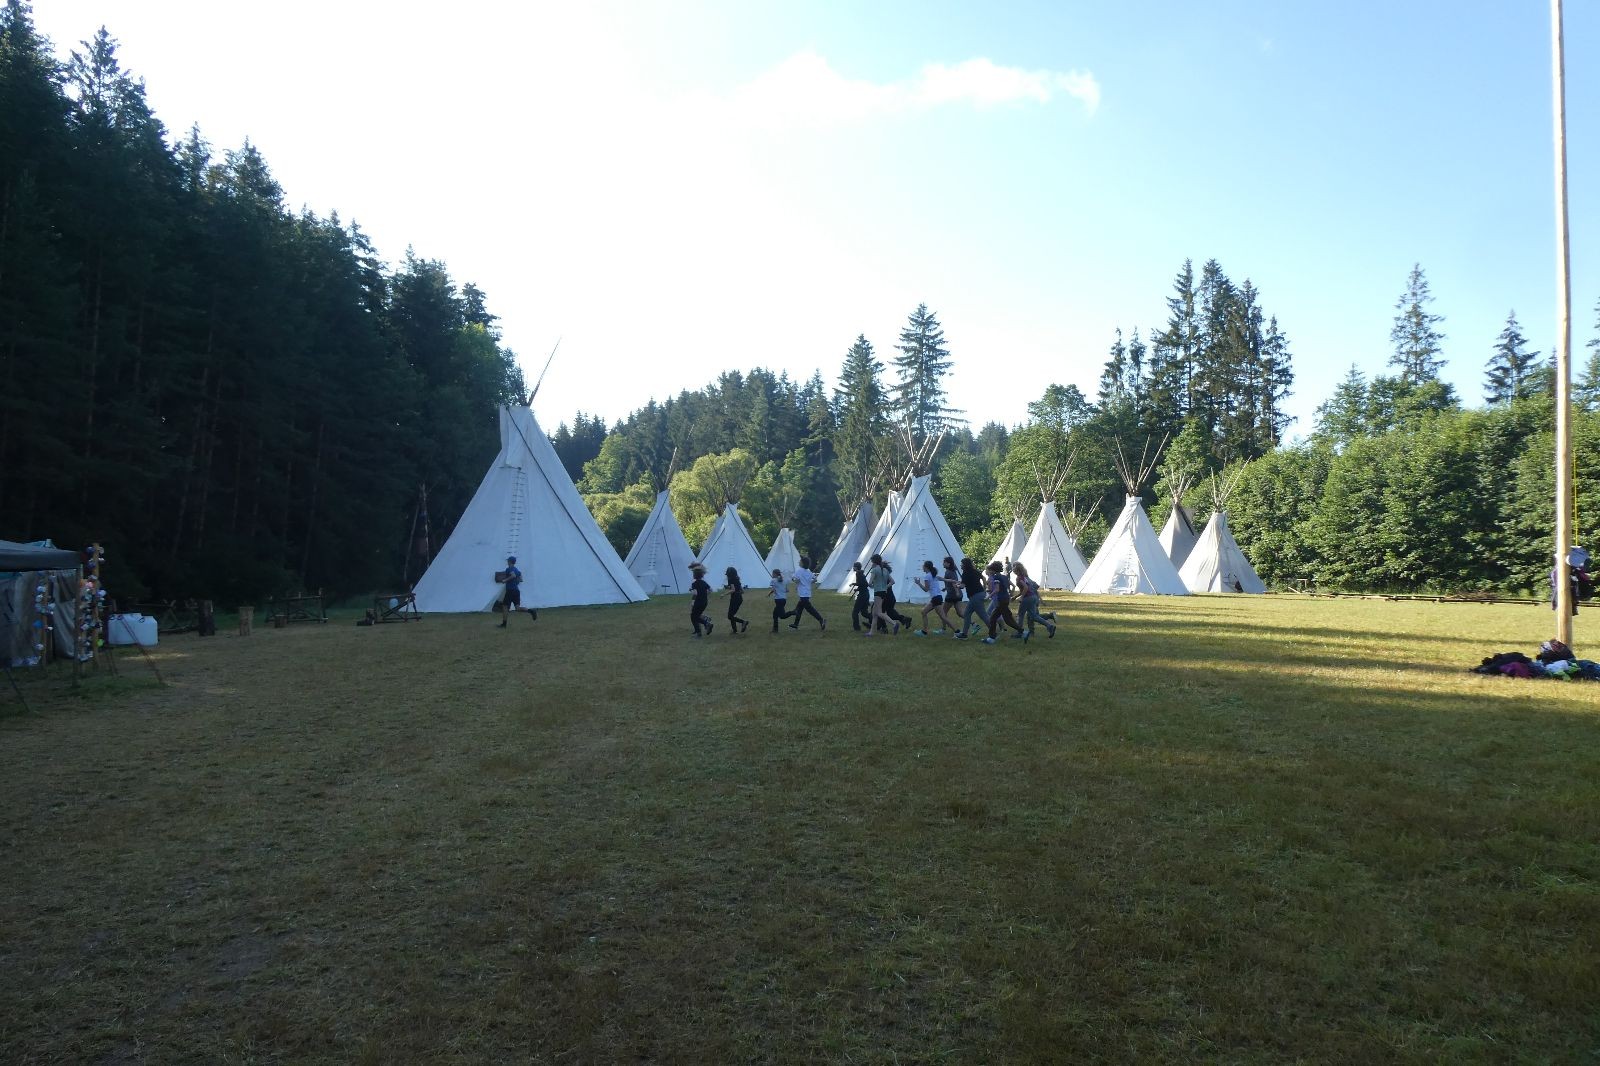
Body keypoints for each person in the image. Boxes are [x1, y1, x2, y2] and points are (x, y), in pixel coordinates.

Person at [983, 560, 1025, 644]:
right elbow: (1008, 587)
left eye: (991, 569)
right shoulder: (1004, 577)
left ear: (994, 570)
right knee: (998, 617)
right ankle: (992, 637)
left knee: (1004, 619)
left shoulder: (996, 577)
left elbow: (997, 589)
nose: (990, 571)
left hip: (1001, 600)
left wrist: (988, 596)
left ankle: (992, 638)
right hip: (1006, 598)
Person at [1012, 561, 1056, 638]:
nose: (1013, 570)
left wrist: (1021, 597)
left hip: (1027, 599)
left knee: (1020, 615)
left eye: (1013, 568)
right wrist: (1016, 596)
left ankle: (1019, 633)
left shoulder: (1019, 578)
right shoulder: (1025, 577)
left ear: (1016, 570)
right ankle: (1049, 626)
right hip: (1033, 597)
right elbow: (1025, 589)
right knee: (1034, 616)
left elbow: (1026, 588)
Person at [787, 555, 827, 631]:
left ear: (802, 563)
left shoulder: (799, 571)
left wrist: (793, 579)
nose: (798, 562)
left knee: (809, 609)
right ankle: (795, 625)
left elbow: (796, 580)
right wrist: (807, 582)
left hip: (803, 594)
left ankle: (821, 620)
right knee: (799, 609)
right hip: (807, 593)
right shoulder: (808, 571)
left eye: (800, 561)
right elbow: (815, 580)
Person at [496, 554, 535, 628]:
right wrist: (515, 581)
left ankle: (504, 624)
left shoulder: (509, 569)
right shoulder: (517, 570)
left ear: (509, 561)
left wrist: (505, 580)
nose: (507, 562)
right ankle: (531, 611)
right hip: (516, 591)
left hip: (510, 590)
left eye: (508, 561)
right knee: (517, 608)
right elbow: (521, 579)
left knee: (505, 606)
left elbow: (513, 576)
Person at [955, 557, 989, 639]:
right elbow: (984, 578)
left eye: (962, 564)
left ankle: (993, 632)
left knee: (983, 615)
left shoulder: (965, 573)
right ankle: (964, 634)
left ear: (965, 565)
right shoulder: (975, 571)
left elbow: (962, 586)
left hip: (975, 596)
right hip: (979, 594)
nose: (960, 565)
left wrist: (957, 586)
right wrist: (984, 589)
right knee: (967, 614)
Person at [914, 560, 949, 636]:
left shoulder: (927, 576)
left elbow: (926, 589)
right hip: (937, 597)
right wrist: (955, 581)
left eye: (923, 566)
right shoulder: (933, 575)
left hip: (935, 598)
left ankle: (956, 630)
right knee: (925, 612)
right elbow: (946, 580)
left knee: (942, 616)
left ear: (926, 567)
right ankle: (924, 631)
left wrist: (918, 583)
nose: (922, 567)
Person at [866, 554, 897, 636]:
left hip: (878, 593)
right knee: (874, 613)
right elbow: (892, 582)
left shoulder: (874, 570)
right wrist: (885, 587)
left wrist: (872, 586)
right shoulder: (885, 570)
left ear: (874, 561)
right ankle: (871, 632)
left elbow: (870, 583)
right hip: (884, 592)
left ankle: (894, 624)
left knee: (879, 612)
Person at [689, 564, 713, 637]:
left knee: (694, 617)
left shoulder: (694, 584)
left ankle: (705, 625)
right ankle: (704, 622)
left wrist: (692, 602)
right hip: (704, 602)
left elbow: (695, 593)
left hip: (698, 602)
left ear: (695, 575)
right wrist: (704, 595)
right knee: (696, 615)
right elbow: (710, 590)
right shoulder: (704, 582)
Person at [724, 566, 750, 634]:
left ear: (729, 574)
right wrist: (729, 588)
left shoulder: (730, 580)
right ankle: (734, 630)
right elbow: (742, 591)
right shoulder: (737, 579)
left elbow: (733, 590)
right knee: (731, 615)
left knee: (730, 616)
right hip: (739, 598)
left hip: (735, 599)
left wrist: (724, 594)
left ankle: (743, 622)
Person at [849, 562, 873, 630]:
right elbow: (863, 584)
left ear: (856, 567)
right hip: (866, 594)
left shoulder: (858, 573)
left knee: (855, 612)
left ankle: (857, 628)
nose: (853, 567)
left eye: (854, 566)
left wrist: (853, 584)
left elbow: (864, 584)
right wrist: (857, 588)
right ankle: (875, 622)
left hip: (862, 595)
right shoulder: (861, 573)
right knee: (864, 613)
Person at [768, 568, 790, 632]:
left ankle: (794, 612)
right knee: (775, 614)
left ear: (775, 574)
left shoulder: (773, 580)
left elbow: (774, 589)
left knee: (782, 616)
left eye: (772, 573)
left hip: (778, 600)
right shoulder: (784, 580)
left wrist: (774, 593)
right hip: (783, 600)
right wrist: (770, 593)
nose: (772, 574)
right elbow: (787, 590)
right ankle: (775, 629)